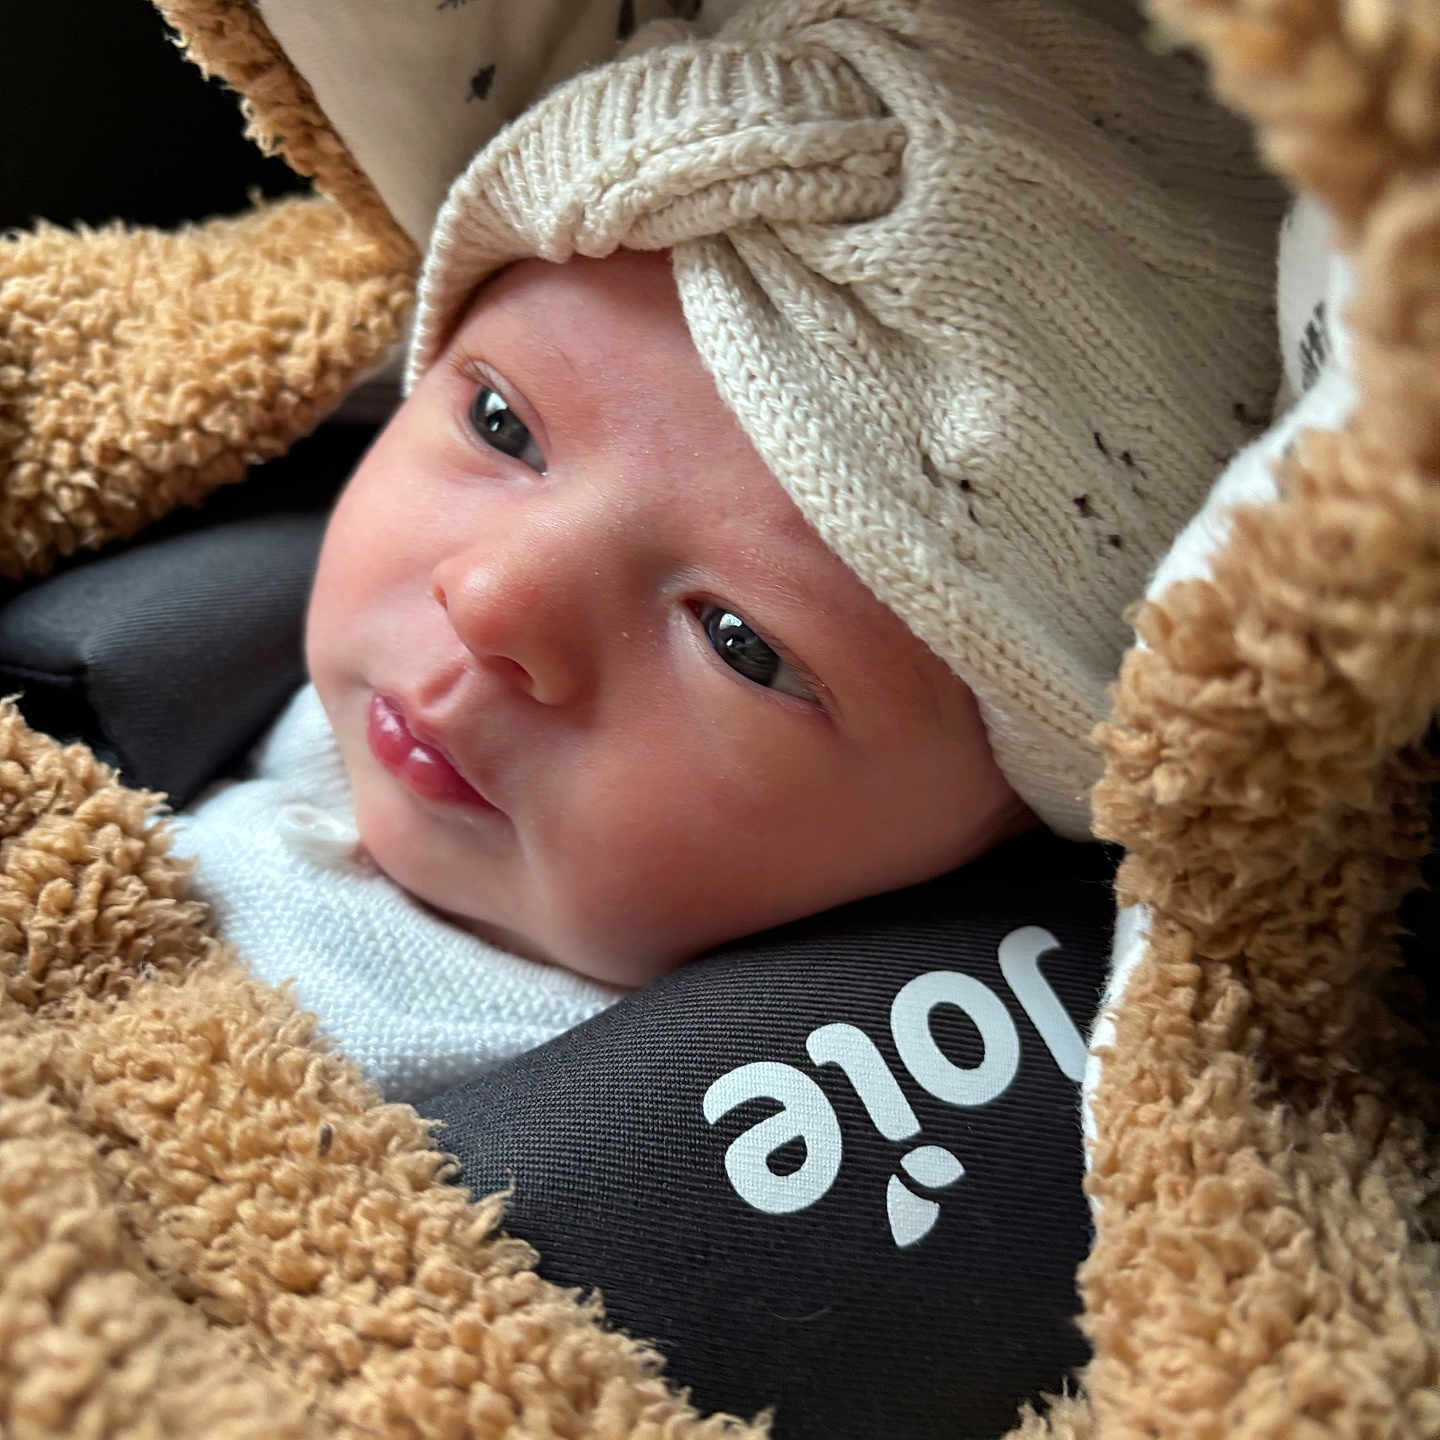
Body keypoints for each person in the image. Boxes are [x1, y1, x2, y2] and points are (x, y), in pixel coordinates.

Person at [169, 0, 1282, 1102]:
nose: (495, 601)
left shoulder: (702, 1139)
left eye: (741, 644)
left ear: (992, 831)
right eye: (502, 425)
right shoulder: (201, 553)